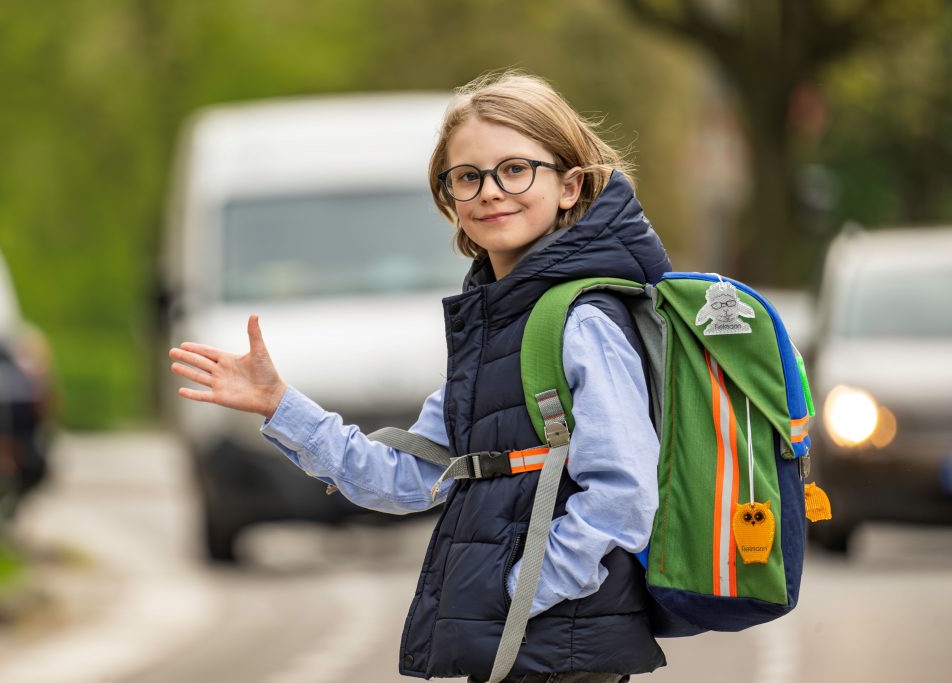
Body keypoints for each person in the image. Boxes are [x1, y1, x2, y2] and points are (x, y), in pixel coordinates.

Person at [169, 70, 672, 683]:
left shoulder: (580, 321)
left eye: (516, 169)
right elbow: (407, 477)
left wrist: (522, 593)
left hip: (560, 646)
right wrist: (280, 405)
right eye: (468, 177)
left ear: (569, 186)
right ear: (449, 199)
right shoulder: (499, 323)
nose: (491, 191)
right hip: (522, 645)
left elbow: (623, 496)